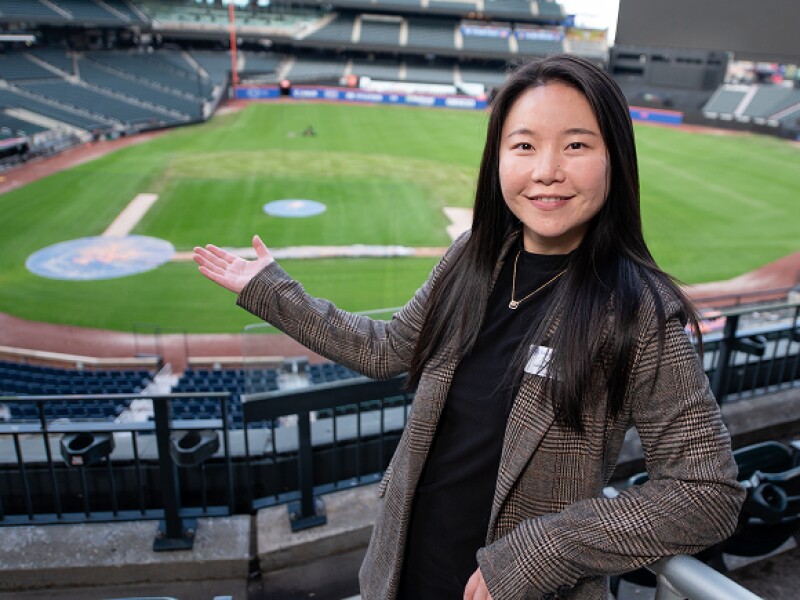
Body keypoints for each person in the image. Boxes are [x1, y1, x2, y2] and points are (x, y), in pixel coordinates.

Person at [193, 55, 744, 600]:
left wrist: (545, 550)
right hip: (399, 574)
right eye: (524, 145)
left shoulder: (638, 310)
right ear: (497, 157)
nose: (546, 170)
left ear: (614, 158)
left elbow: (707, 492)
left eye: (576, 145)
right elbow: (388, 349)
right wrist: (271, 290)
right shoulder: (472, 258)